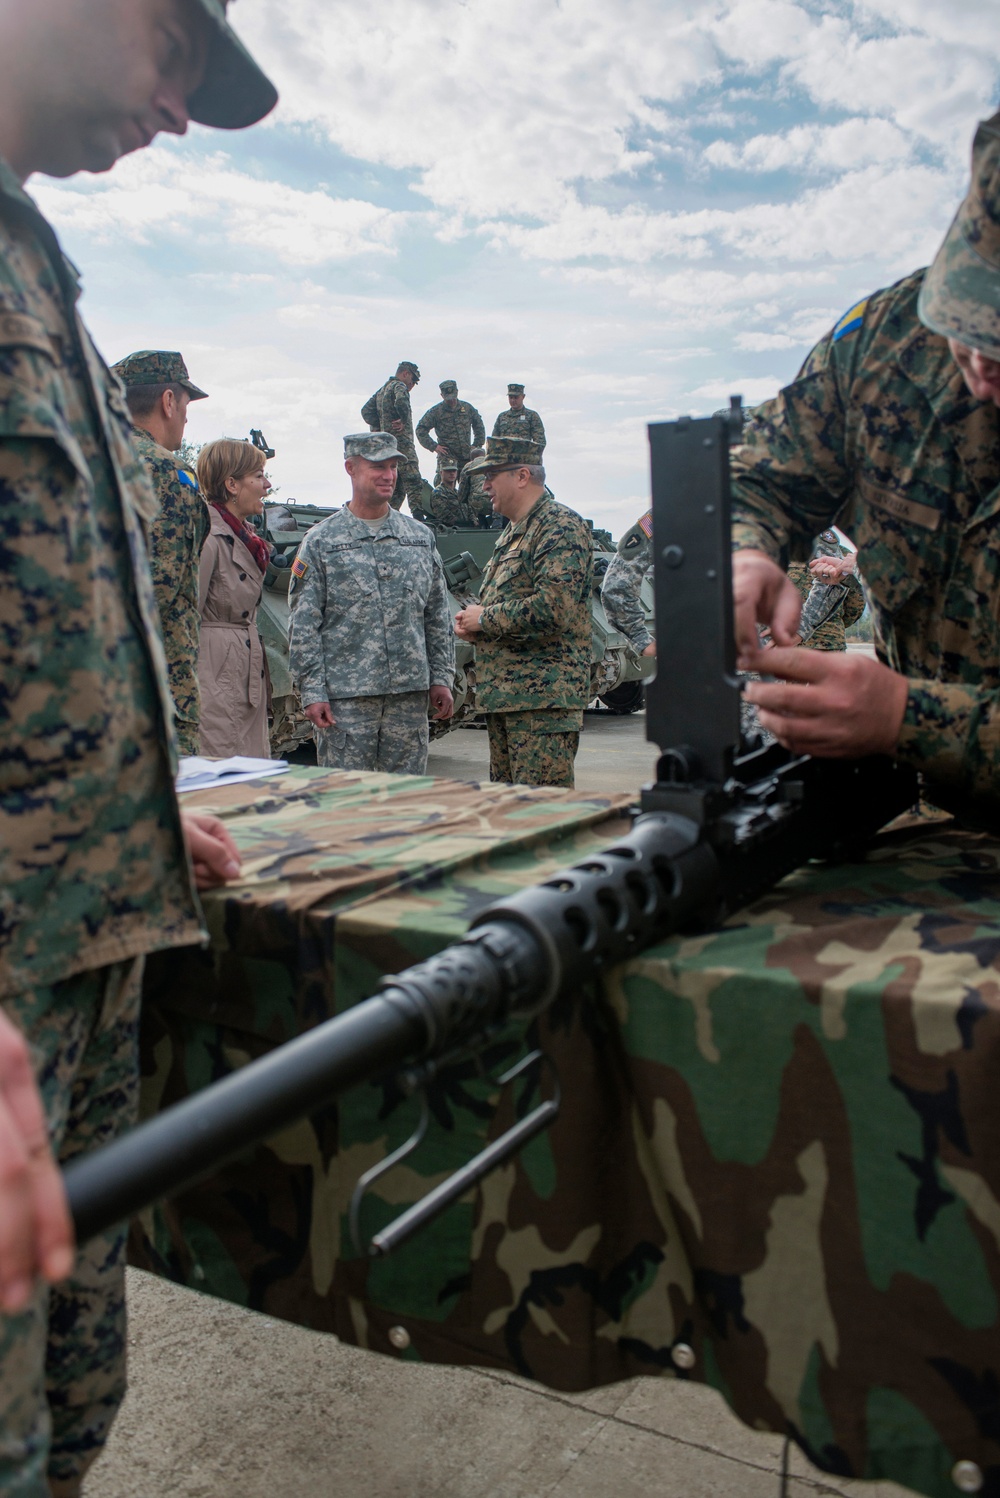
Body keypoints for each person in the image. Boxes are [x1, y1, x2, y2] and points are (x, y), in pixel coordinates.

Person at [0, 0, 272, 1491]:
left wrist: (127, 815)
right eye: (175, 43)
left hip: (73, 966)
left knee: (64, 1418)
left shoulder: (40, 264)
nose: (178, 107)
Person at [732, 110, 1000, 825]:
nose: (979, 363)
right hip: (931, 820)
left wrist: (904, 717)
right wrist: (747, 552)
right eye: (965, 321)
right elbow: (762, 476)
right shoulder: (884, 344)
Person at [288, 433, 455, 774]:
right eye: (378, 466)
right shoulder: (321, 541)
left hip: (408, 698)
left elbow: (437, 614)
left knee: (405, 804)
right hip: (346, 700)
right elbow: (304, 624)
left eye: (393, 467)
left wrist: (442, 676)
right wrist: (312, 690)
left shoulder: (419, 538)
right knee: (347, 803)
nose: (389, 475)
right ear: (350, 468)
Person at [454, 436, 592, 788]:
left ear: (521, 476)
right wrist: (479, 626)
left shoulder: (558, 526)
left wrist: (484, 619)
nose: (484, 485)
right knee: (509, 815)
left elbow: (553, 608)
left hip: (541, 704)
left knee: (541, 817)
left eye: (491, 475)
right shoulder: (514, 532)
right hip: (508, 699)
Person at [110, 349, 210, 754]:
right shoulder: (167, 473)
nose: (186, 416)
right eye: (185, 404)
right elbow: (160, 590)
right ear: (168, 401)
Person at [196, 438, 273, 758]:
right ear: (231, 485)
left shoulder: (246, 538)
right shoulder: (209, 536)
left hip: (242, 670)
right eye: (258, 476)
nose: (267, 485)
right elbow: (187, 615)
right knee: (221, 775)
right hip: (214, 675)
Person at [360, 361, 423, 512]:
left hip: (387, 446)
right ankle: (420, 518)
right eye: (413, 380)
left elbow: (366, 411)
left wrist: (381, 428)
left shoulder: (382, 390)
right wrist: (403, 420)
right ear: (405, 374)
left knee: (397, 487)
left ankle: (387, 515)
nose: (412, 385)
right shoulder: (399, 386)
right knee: (413, 479)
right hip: (402, 444)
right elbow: (401, 400)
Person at [415, 379, 486, 477]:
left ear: (457, 392)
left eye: (453, 397)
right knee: (443, 489)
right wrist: (434, 446)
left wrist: (476, 446)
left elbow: (479, 426)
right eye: (448, 398)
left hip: (467, 457)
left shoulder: (467, 408)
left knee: (470, 486)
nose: (452, 401)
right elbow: (420, 429)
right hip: (447, 458)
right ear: (442, 396)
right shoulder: (436, 411)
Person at [492, 383, 546, 453]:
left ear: (523, 397)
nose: (513, 400)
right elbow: (494, 440)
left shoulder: (532, 416)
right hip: (504, 458)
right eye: (510, 397)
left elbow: (540, 442)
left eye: (516, 397)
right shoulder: (502, 417)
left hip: (523, 457)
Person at [418, 457, 467, 527]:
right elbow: (443, 515)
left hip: (465, 529)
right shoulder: (438, 492)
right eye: (448, 471)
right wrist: (462, 523)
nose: (452, 473)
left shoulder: (459, 493)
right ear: (441, 473)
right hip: (450, 530)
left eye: (454, 471)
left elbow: (468, 509)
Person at [456, 446, 493, 526]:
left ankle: (482, 524)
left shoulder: (468, 466)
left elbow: (462, 495)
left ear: (471, 459)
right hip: (495, 502)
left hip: (477, 503)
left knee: (472, 496)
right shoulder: (493, 463)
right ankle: (498, 524)